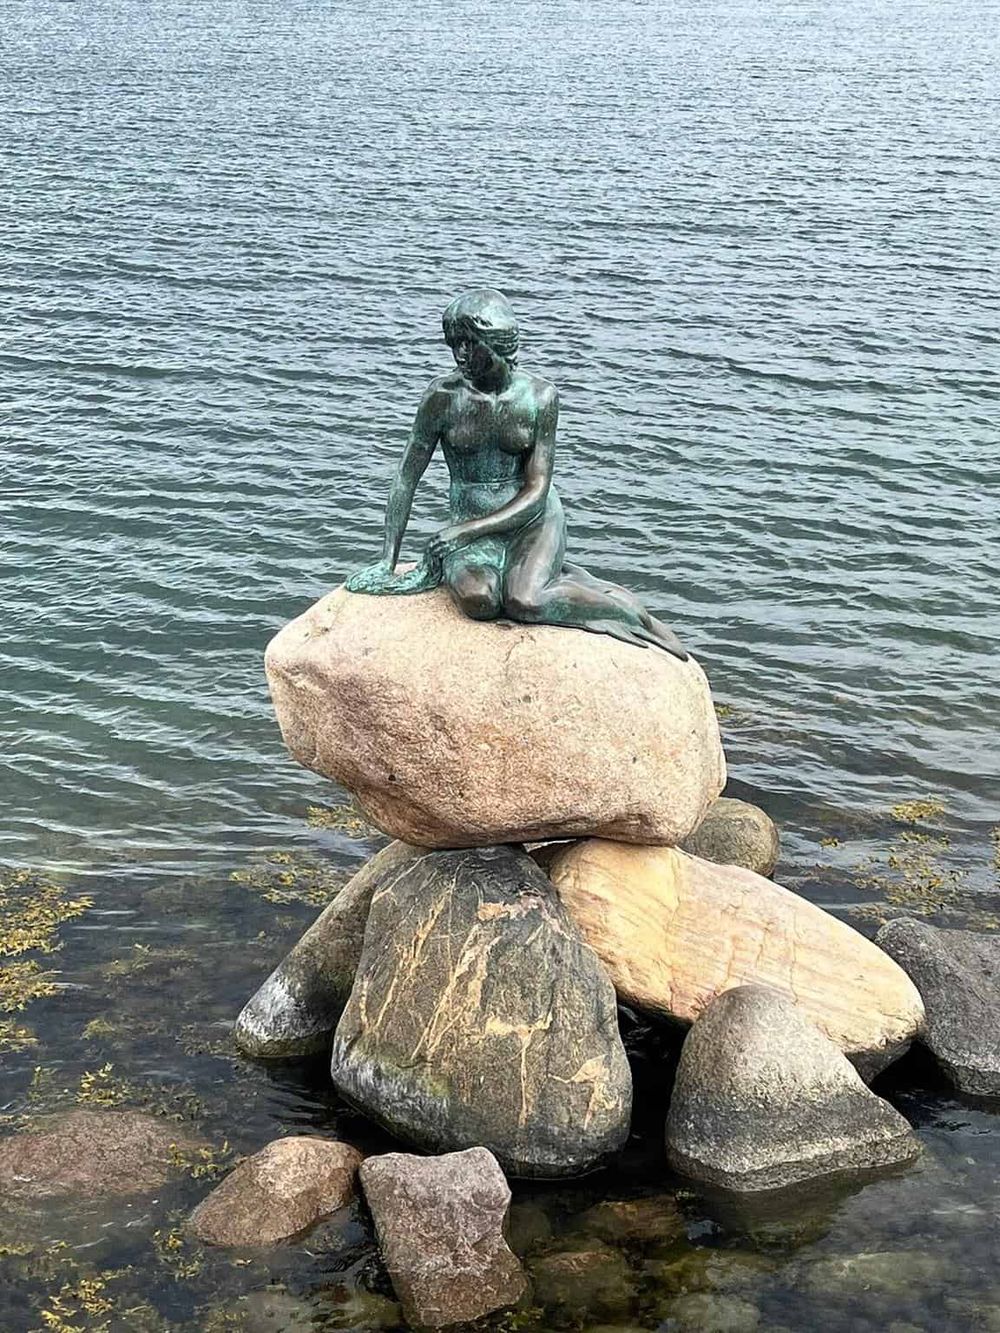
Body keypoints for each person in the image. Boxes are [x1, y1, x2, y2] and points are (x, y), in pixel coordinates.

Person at [346, 288, 687, 658]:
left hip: (532, 520)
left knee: (525, 600)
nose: (459, 355)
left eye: (468, 343)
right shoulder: (441, 398)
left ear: (497, 341)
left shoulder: (540, 397)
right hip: (472, 521)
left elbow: (538, 489)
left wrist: (460, 533)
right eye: (453, 344)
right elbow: (406, 478)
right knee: (480, 601)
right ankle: (559, 577)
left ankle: (629, 613)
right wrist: (388, 559)